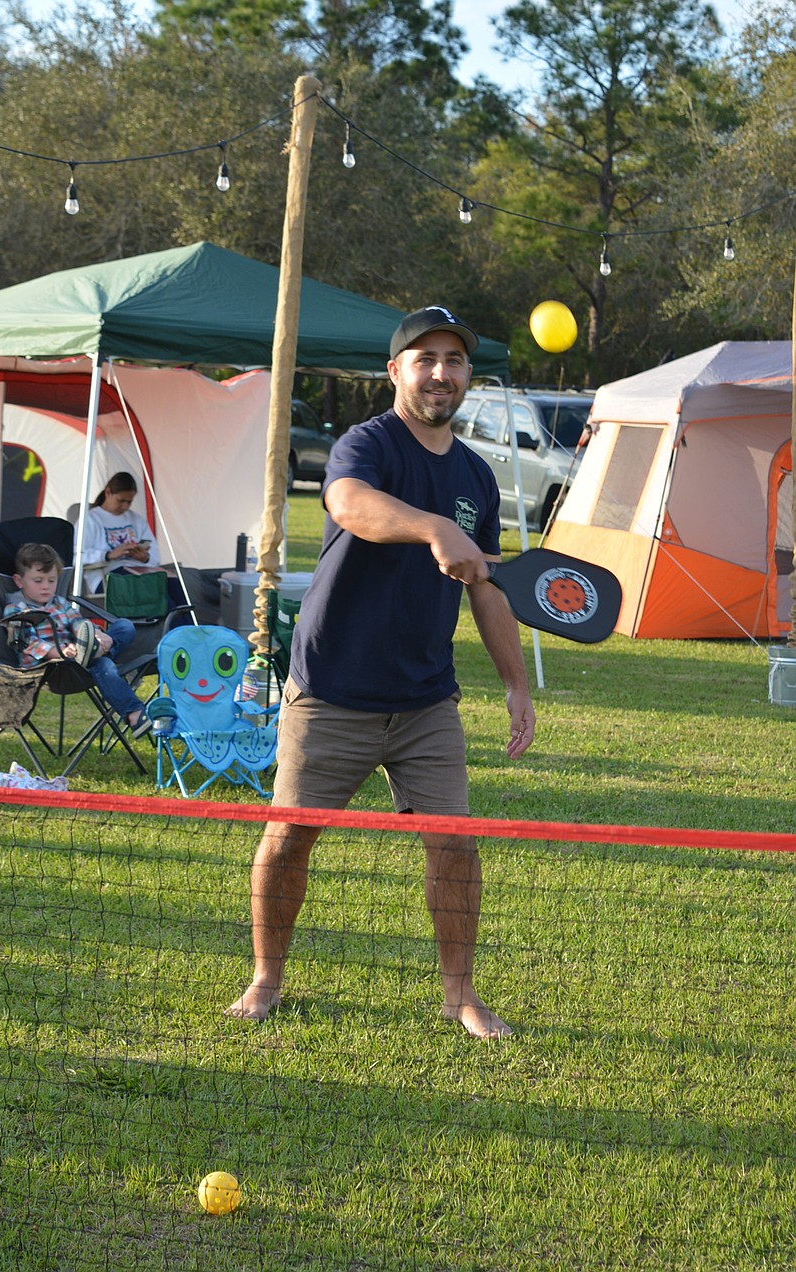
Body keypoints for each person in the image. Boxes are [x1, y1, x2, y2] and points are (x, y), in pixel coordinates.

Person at [230, 305, 536, 1040]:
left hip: (426, 699)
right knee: (289, 837)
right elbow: (350, 505)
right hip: (332, 688)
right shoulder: (366, 443)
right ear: (395, 371)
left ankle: (459, 994)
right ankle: (267, 978)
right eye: (425, 359)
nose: (441, 373)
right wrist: (432, 527)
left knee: (455, 845)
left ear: (468, 376)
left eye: (454, 361)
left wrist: (515, 683)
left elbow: (486, 588)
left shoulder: (474, 477)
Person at [4, 542, 152, 738]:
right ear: (19, 580)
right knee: (103, 664)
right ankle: (134, 713)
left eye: (51, 580)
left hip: (79, 653)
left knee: (124, 626)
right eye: (38, 581)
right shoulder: (16, 609)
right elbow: (25, 642)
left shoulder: (59, 603)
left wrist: (98, 635)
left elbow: (77, 622)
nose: (46, 586)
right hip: (54, 666)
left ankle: (94, 651)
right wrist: (59, 652)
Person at [77, 472, 161, 595]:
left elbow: (155, 554)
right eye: (121, 501)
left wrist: (145, 558)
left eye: (129, 502)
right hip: (108, 575)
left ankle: (188, 615)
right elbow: (76, 555)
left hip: (139, 571)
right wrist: (108, 555)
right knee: (155, 593)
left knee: (175, 585)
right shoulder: (90, 520)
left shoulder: (137, 519)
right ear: (108, 493)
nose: (125, 506)